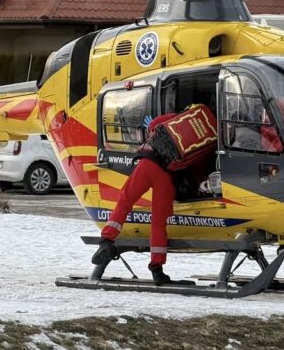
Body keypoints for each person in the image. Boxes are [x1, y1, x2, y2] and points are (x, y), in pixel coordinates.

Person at [91, 104, 217, 286]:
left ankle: (107, 240)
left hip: (147, 164)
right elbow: (196, 169)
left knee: (125, 201)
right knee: (158, 223)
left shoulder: (181, 118)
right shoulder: (211, 139)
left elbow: (154, 126)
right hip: (167, 177)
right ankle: (157, 270)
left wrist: (168, 120)